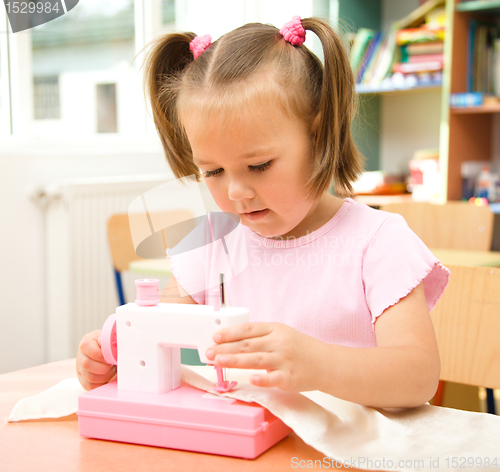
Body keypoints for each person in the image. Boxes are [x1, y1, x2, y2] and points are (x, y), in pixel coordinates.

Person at [76, 16, 450, 408]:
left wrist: (319, 364)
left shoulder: (378, 241)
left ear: (319, 135)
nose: (236, 191)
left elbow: (419, 376)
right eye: (213, 171)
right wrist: (115, 353)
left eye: (259, 166)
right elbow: (152, 336)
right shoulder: (212, 243)